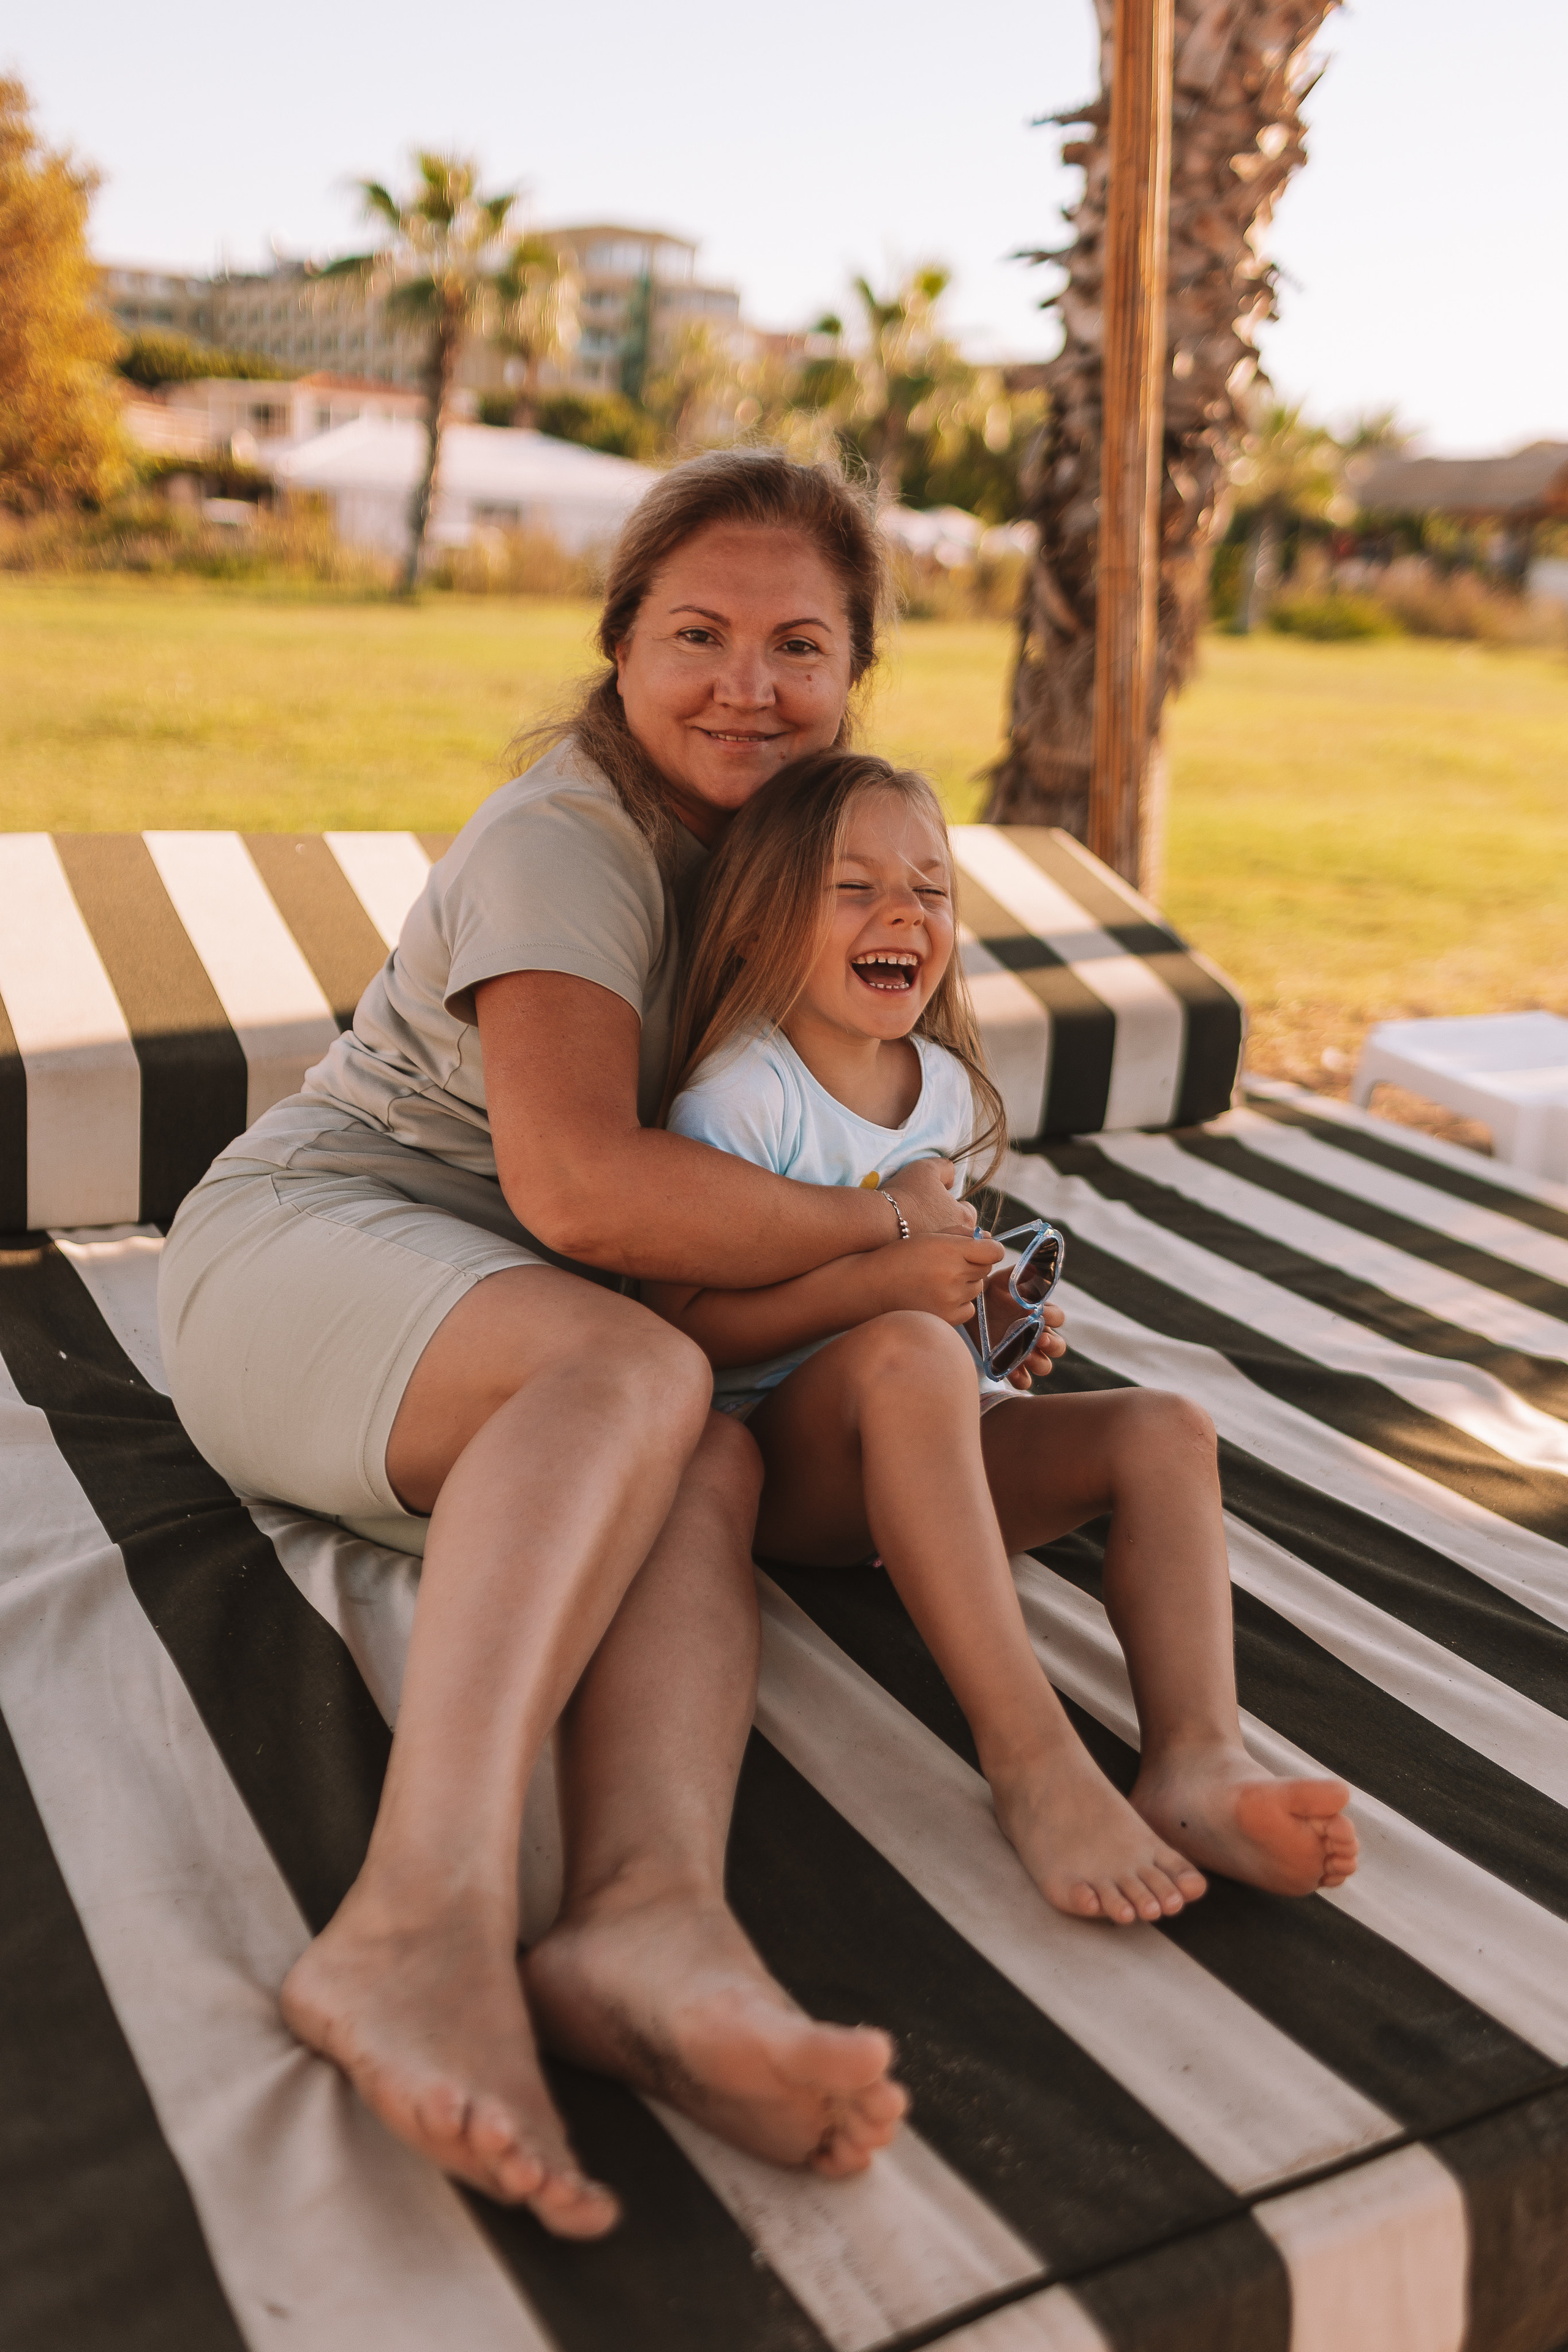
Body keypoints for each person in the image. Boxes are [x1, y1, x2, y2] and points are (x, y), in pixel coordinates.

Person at [157, 453, 981, 2236]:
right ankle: (415, 1926)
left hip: (525, 1319)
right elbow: (589, 1192)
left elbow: (844, 1125)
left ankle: (646, 1922)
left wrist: (935, 1259)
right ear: (617, 649)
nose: (745, 686)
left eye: (798, 645)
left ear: (855, 679)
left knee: (711, 1447)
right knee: (637, 1375)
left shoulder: (805, 856)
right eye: (695, 634)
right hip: (312, 1250)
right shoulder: (567, 834)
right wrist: (880, 1225)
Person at [650, 749, 1360, 1928]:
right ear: (762, 913)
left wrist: (988, 1328)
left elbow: (931, 1310)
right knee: (914, 1355)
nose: (903, 914)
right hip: (787, 1476)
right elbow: (685, 1331)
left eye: (931, 890)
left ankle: (1199, 1757)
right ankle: (1030, 1755)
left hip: (928, 1443)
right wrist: (887, 1289)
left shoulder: (940, 1089)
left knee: (1163, 1427)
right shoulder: (740, 1098)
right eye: (855, 886)